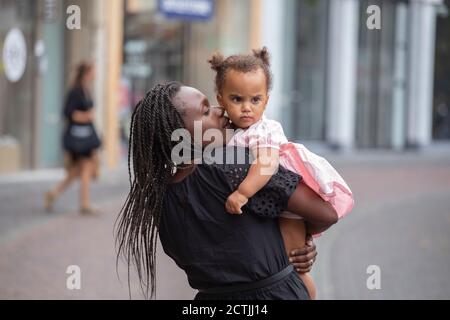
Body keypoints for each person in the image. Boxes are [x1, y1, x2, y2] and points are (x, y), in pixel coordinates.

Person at [115, 82, 338, 300]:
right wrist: (301, 242)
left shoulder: (159, 197)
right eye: (205, 111)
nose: (220, 110)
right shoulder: (231, 164)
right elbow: (326, 213)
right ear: (180, 133)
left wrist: (290, 246)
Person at [207, 47, 355, 299]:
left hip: (288, 205)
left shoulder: (263, 130)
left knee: (292, 266)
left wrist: (242, 193)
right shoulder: (224, 128)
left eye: (255, 100)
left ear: (266, 99)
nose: (246, 108)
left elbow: (266, 164)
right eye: (236, 99)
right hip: (267, 207)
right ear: (220, 99)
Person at [45, 62, 101, 214]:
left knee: (76, 172)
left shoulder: (86, 90)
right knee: (85, 169)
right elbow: (70, 113)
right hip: (78, 139)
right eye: (93, 71)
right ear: (86, 73)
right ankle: (84, 204)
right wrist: (86, 116)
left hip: (85, 137)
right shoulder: (75, 91)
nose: (95, 74)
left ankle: (53, 193)